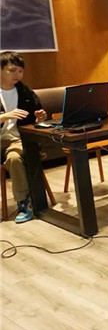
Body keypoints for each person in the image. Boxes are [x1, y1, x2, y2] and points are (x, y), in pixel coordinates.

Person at [0, 51, 47, 223]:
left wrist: (40, 118)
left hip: (17, 140)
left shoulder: (25, 92)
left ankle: (23, 203)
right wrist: (4, 116)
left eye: (20, 71)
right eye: (12, 70)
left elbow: (37, 119)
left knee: (14, 158)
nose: (17, 75)